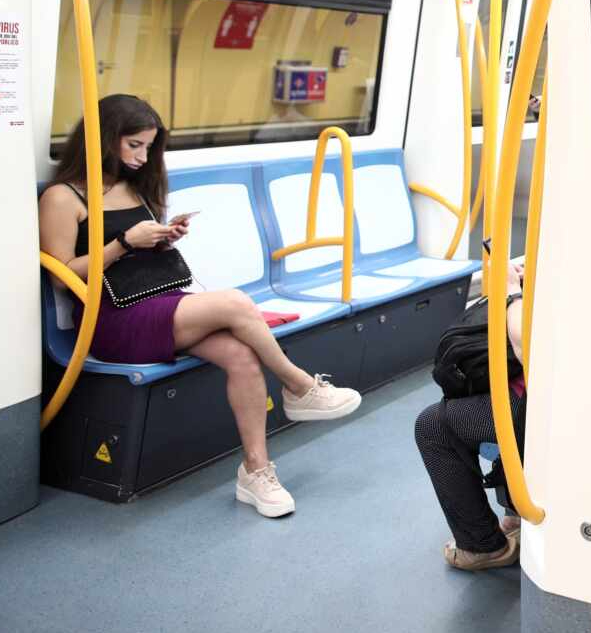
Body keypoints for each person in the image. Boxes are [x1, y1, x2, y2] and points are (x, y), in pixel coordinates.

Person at [38, 95, 362, 519]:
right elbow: (60, 273)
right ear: (104, 140)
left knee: (241, 356)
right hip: (111, 320)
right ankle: (298, 385)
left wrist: (162, 236)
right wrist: (122, 243)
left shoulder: (133, 186)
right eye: (133, 145)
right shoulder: (65, 197)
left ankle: (256, 472)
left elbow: (139, 249)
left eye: (149, 147)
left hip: (159, 303)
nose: (142, 156)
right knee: (235, 302)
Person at [414, 264, 527, 571]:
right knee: (481, 394)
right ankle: (516, 512)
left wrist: (511, 292)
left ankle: (482, 547)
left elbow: (525, 348)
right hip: (534, 394)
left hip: (538, 402)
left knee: (433, 426)